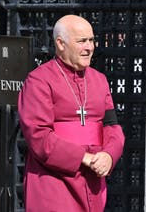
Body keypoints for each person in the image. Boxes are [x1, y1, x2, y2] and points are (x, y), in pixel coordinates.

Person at [18, 15, 125, 212]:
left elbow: (112, 126)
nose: (89, 47)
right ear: (60, 44)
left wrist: (109, 156)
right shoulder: (39, 81)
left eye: (91, 40)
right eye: (82, 41)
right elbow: (39, 136)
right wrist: (83, 157)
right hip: (53, 181)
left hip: (93, 180)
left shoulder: (99, 80)